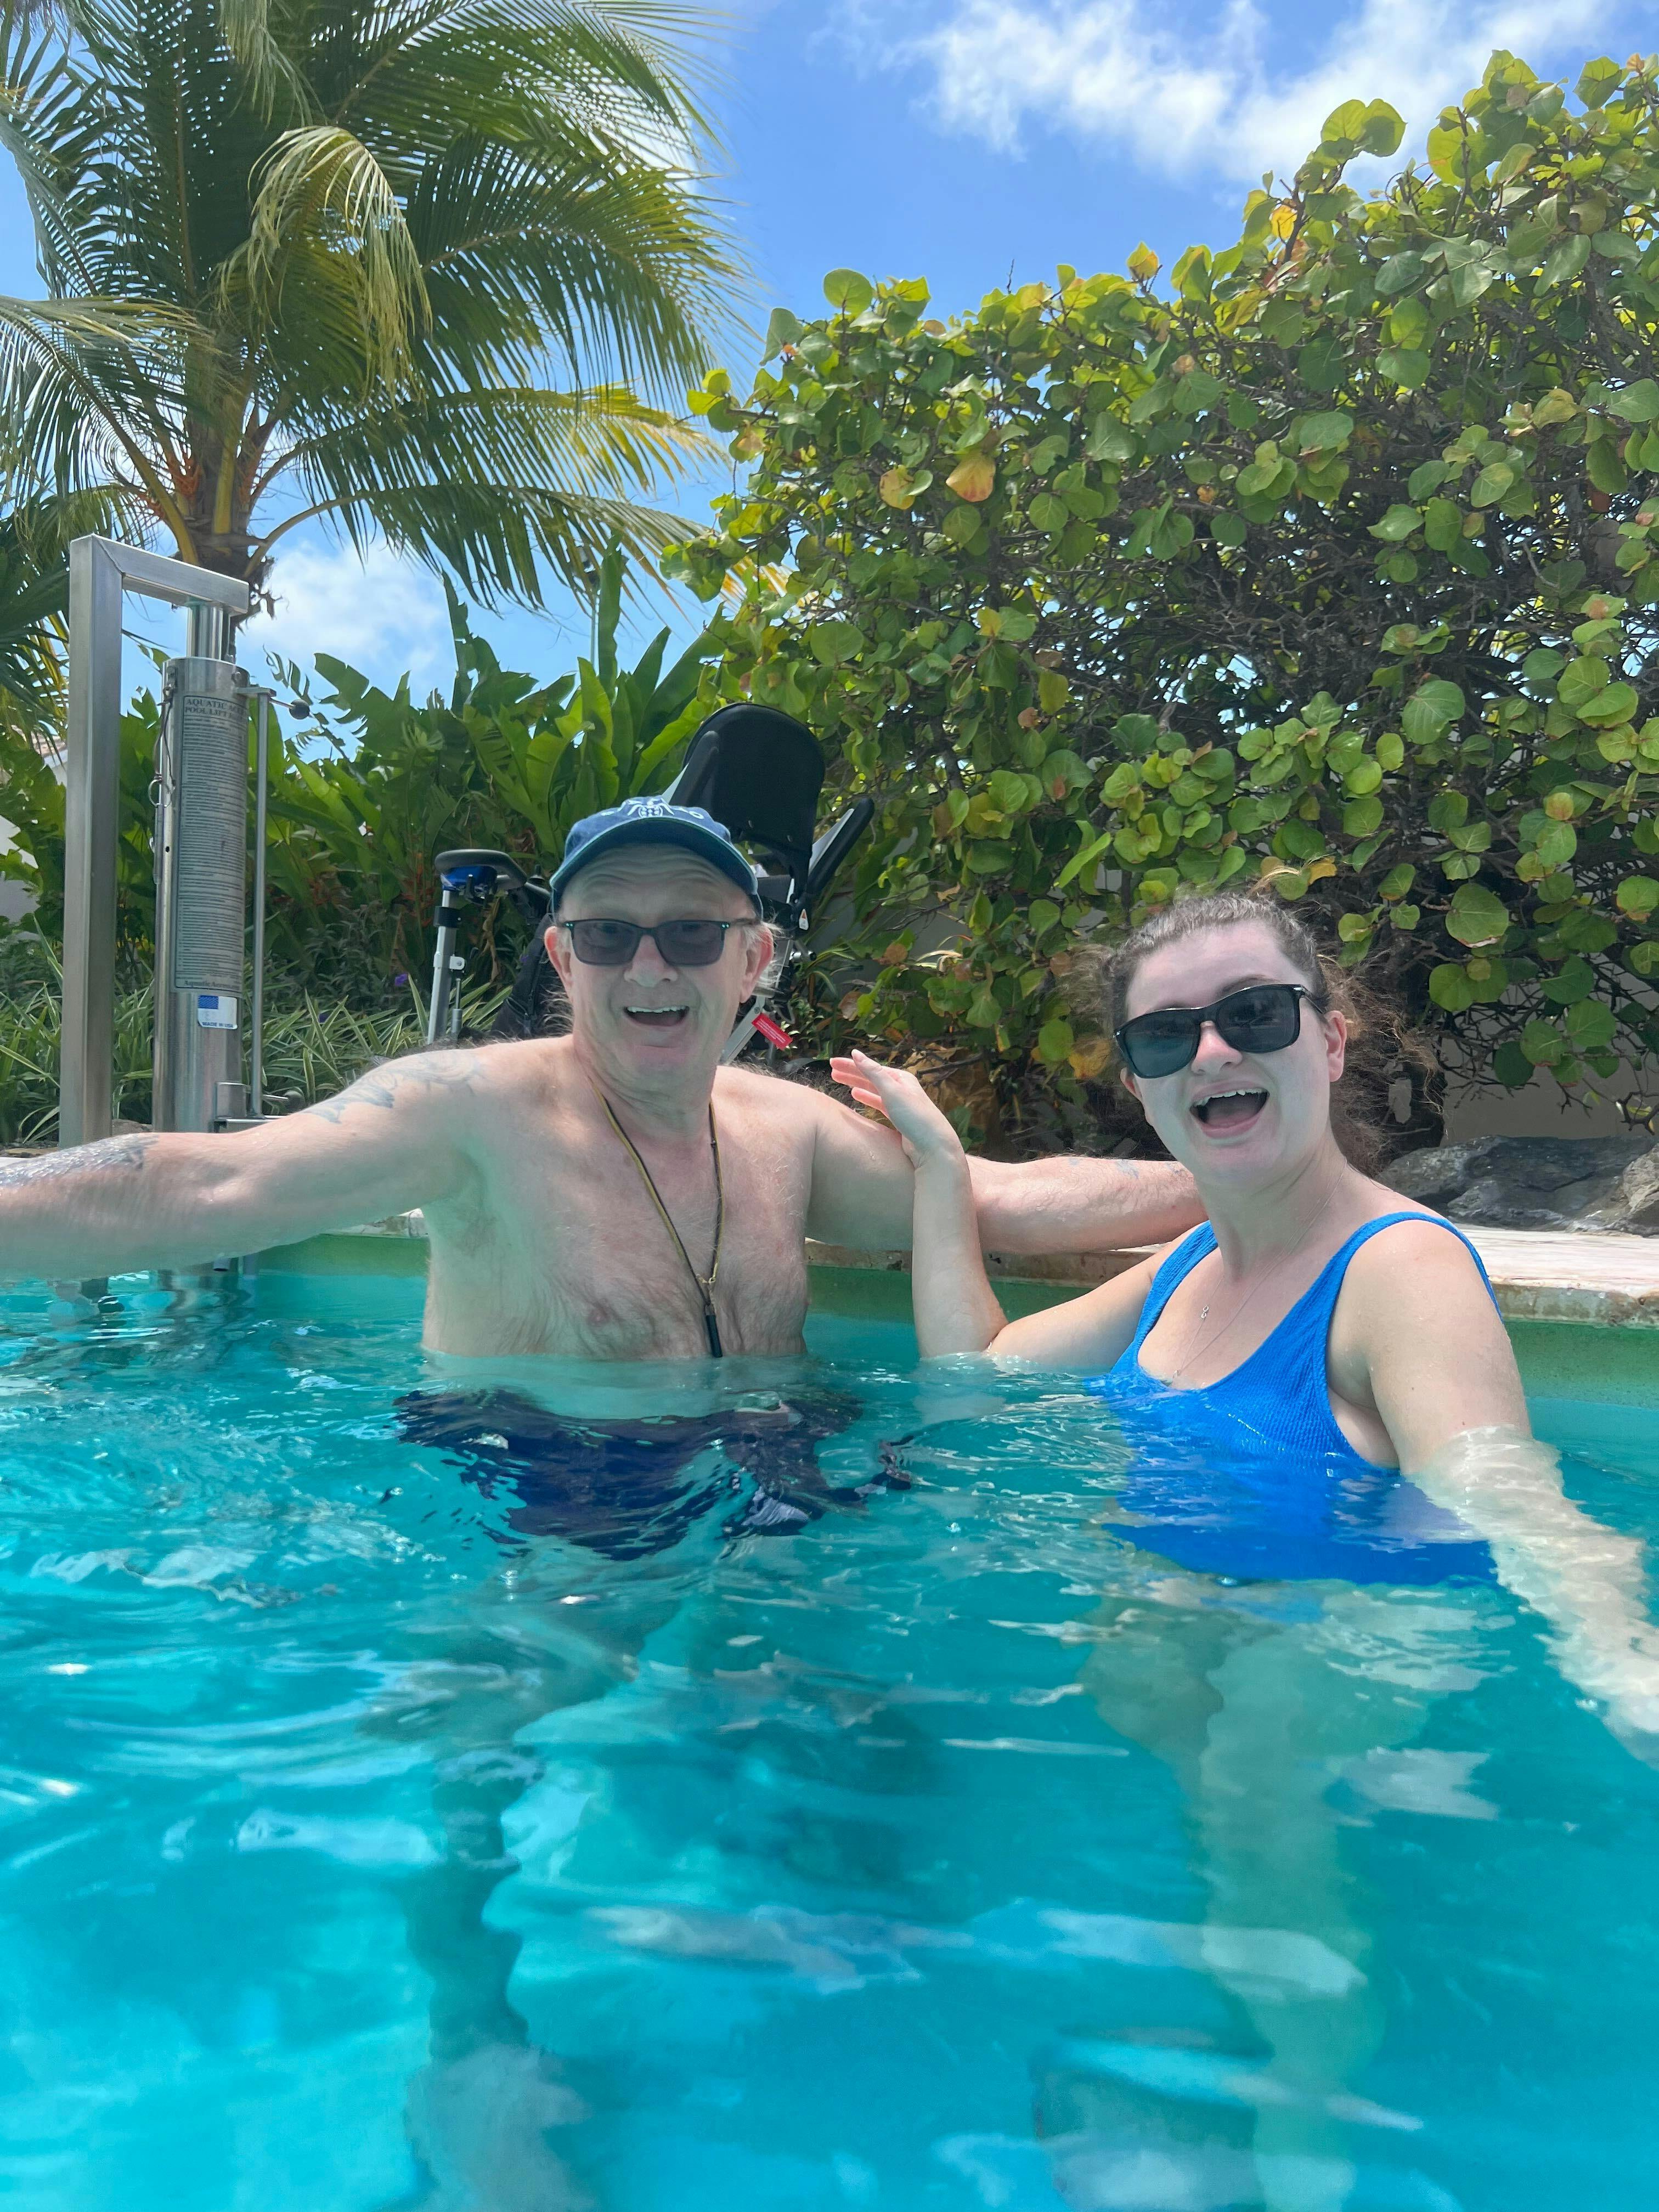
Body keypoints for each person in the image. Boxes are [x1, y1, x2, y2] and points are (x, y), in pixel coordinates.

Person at [837, 887, 1659, 2207]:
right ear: (1145, 1091)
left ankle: (1306, 2145)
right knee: (1188, 1709)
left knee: (1254, 1749)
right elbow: (975, 1373)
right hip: (1218, 1644)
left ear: (1330, 1043)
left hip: (1348, 1639)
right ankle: (1255, 2039)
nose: (1212, 1052)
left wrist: (1618, 1655)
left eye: (1253, 1014)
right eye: (1167, 1037)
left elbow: (1501, 1484)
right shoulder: (1182, 1269)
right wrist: (945, 1167)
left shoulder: (1399, 1269)